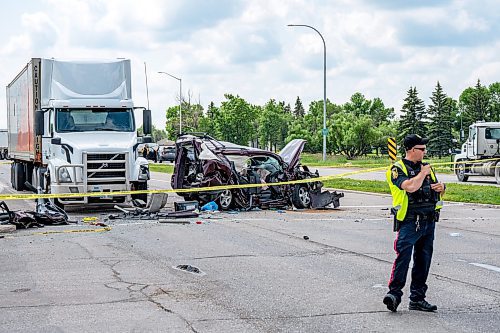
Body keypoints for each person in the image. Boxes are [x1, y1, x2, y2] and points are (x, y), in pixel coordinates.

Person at [383, 134, 446, 313]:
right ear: (411, 150)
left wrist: (441, 188)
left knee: (423, 261)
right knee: (403, 258)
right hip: (410, 222)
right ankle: (394, 295)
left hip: (428, 221)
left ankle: (417, 299)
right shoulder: (397, 169)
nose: (425, 152)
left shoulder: (426, 168)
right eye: (422, 149)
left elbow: (434, 189)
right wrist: (423, 173)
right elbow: (410, 186)